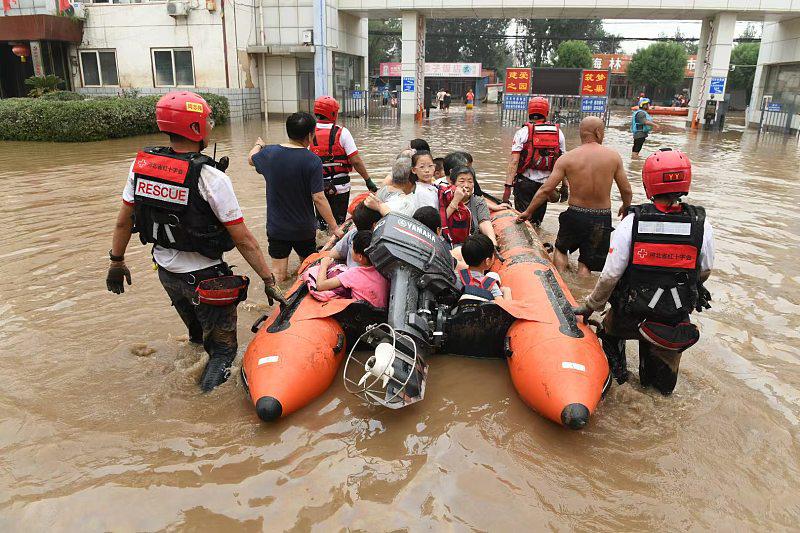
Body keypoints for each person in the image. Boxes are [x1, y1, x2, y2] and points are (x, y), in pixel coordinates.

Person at [106, 91, 285, 393]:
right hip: (206, 280)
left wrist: (116, 261)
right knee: (223, 351)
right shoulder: (211, 177)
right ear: (195, 128)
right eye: (207, 121)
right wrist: (268, 280)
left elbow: (124, 220)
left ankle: (192, 368)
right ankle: (205, 414)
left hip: (166, 274)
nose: (211, 126)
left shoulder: (142, 167)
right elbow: (244, 239)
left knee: (197, 336)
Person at [573, 148, 714, 395]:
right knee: (660, 392)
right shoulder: (702, 225)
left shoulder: (631, 223)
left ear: (648, 183)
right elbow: (704, 271)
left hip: (631, 312)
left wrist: (590, 306)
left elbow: (610, 276)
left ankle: (618, 379)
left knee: (609, 332)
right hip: (671, 317)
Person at [517, 116, 632, 276]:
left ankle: (561, 283)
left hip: (575, 215)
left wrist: (528, 212)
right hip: (601, 218)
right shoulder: (613, 157)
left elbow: (546, 189)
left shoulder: (567, 158)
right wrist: (626, 208)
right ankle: (581, 293)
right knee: (586, 263)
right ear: (598, 132)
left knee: (561, 250)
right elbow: (626, 190)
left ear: (581, 133)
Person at [249, 112, 343, 282]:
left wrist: (259, 145)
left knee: (278, 275)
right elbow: (319, 198)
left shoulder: (269, 153)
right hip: (303, 229)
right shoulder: (312, 160)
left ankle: (280, 306)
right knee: (307, 270)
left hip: (277, 227)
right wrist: (335, 227)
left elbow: (250, 159)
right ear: (310, 135)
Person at [309, 96, 377, 227]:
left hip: (317, 187)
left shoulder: (308, 133)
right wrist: (368, 180)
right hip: (340, 187)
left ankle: (322, 241)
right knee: (339, 222)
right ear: (333, 113)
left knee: (322, 223)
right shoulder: (343, 132)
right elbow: (355, 161)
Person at [504, 96, 567, 225]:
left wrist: (507, 188)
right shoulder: (558, 133)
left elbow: (514, 162)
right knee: (537, 223)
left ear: (529, 113)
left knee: (522, 222)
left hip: (525, 184)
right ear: (547, 113)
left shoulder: (522, 132)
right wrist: (565, 186)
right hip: (545, 187)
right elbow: (563, 162)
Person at [316, 230, 389, 308]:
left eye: (352, 248)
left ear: (360, 257)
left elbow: (320, 285)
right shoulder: (384, 269)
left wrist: (324, 265)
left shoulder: (354, 273)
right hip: (381, 313)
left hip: (361, 315)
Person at [439, 166, 496, 247]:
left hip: (471, 245)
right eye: (462, 181)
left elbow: (484, 222)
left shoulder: (478, 201)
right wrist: (456, 200)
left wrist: (492, 240)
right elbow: (441, 224)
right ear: (452, 183)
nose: (466, 185)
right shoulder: (443, 198)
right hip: (448, 244)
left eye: (470, 181)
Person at [458, 234, 511, 301]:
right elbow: (505, 307)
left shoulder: (458, 277)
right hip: (482, 310)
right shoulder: (491, 285)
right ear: (487, 261)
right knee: (493, 275)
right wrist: (506, 292)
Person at [330, 201, 382, 268]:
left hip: (350, 273)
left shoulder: (353, 233)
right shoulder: (380, 242)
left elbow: (333, 254)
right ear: (375, 225)